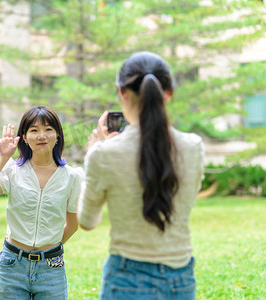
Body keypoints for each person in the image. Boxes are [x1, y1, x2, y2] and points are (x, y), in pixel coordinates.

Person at [77, 51, 205, 300]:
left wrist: (93, 155)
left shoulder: (104, 154)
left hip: (127, 278)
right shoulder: (193, 147)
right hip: (181, 279)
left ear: (122, 92)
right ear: (168, 93)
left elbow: (87, 221)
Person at [0, 105, 83, 300]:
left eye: (48, 129)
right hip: (12, 264)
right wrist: (2, 158)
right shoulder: (12, 170)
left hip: (52, 267)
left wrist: (48, 250)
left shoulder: (71, 177)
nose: (41, 135)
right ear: (24, 137)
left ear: (57, 135)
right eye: (34, 130)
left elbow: (73, 225)